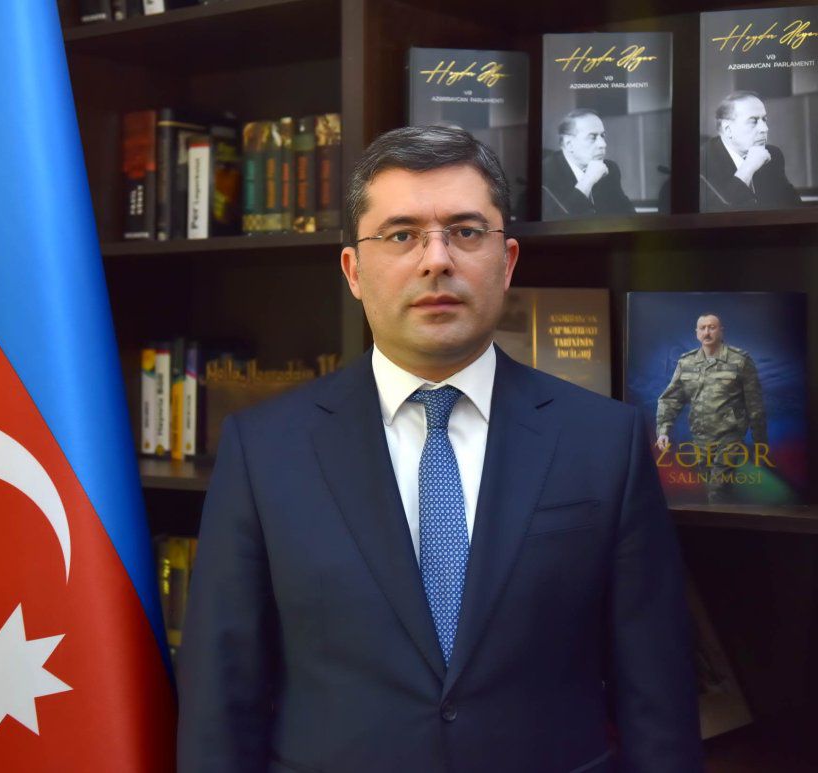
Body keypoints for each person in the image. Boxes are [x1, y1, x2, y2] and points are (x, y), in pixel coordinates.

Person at [177, 125, 701, 773]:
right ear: (353, 271)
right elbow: (220, 700)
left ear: (507, 261)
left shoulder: (605, 442)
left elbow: (658, 702)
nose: (437, 260)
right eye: (401, 235)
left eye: (466, 231)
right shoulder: (264, 450)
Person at [656, 313, 767, 505]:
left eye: (712, 327)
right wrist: (663, 430)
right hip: (700, 437)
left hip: (730, 437)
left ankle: (720, 523)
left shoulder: (740, 360)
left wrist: (760, 441)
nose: (707, 332)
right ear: (696, 333)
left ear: (721, 331)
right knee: (712, 489)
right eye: (703, 328)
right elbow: (671, 399)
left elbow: (754, 404)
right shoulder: (686, 362)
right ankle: (727, 521)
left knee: (718, 489)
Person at [700, 91, 801, 211]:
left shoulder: (772, 155)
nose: (765, 128)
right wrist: (748, 168)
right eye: (753, 121)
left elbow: (794, 207)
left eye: (764, 120)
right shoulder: (703, 161)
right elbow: (718, 214)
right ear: (728, 129)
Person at [542, 108, 636, 219]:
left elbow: (629, 215)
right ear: (569, 144)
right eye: (592, 137)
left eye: (602, 136)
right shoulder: (545, 173)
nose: (603, 144)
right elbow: (557, 222)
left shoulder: (610, 168)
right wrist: (588, 180)